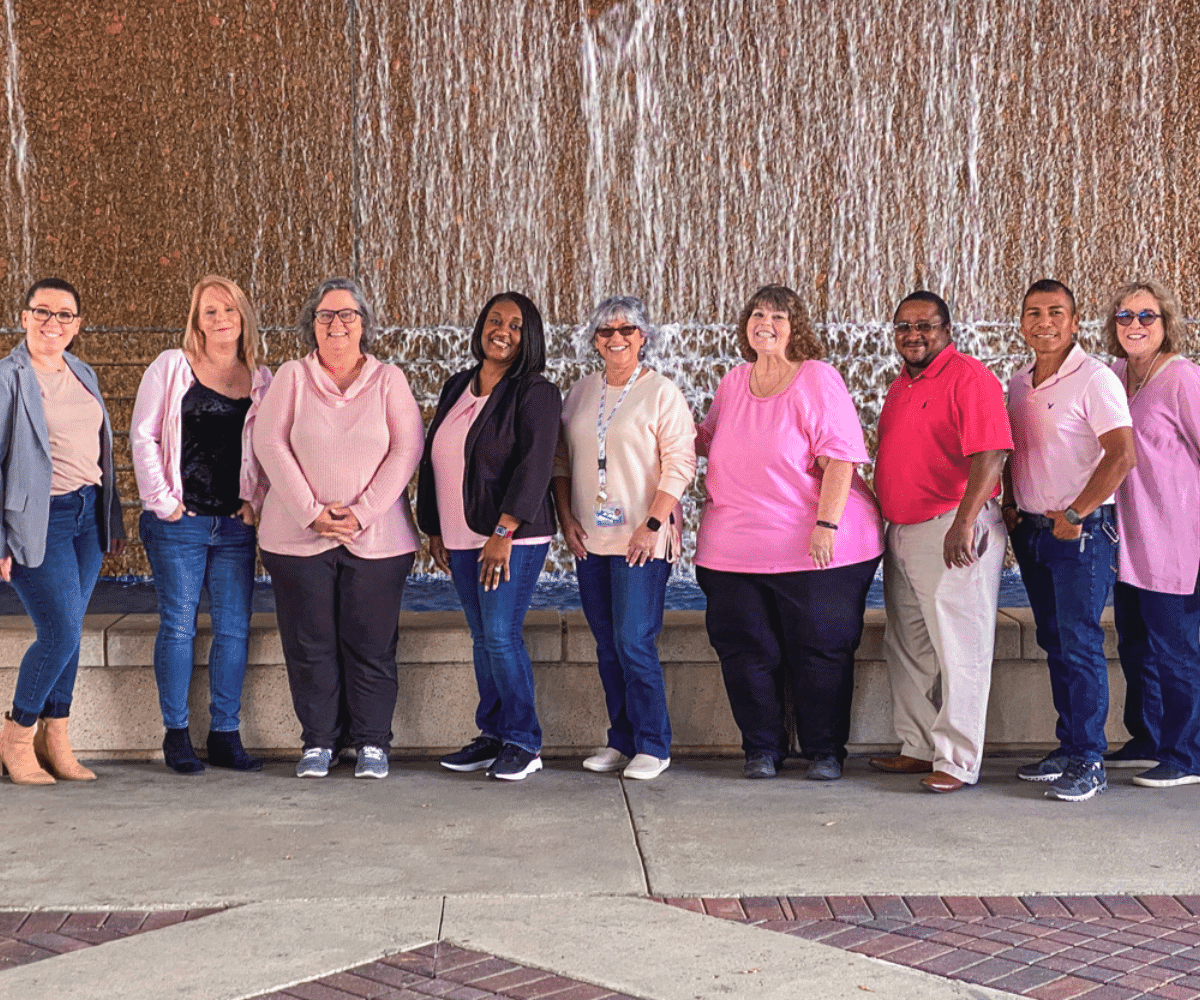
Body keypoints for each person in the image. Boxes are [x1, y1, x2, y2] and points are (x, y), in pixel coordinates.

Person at [694, 284, 884, 781]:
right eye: (758, 314)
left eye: (779, 316)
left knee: (819, 650)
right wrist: (652, 411)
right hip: (732, 550)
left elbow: (840, 457)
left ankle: (824, 751)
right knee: (743, 651)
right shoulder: (734, 381)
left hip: (817, 548)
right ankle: (761, 748)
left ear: (795, 327)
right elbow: (703, 439)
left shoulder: (817, 378)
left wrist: (826, 525)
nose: (767, 323)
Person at [254, 277, 423, 780]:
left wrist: (362, 511)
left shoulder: (389, 380)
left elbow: (406, 448)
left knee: (371, 643)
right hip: (296, 537)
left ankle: (372, 741)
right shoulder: (291, 377)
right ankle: (319, 742)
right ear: (312, 325)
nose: (336, 324)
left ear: (363, 324)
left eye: (347, 315)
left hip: (378, 539)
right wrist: (311, 511)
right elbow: (269, 443)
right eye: (325, 316)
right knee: (309, 643)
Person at [870, 291, 1012, 793]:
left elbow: (992, 453)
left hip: (951, 527)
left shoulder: (969, 377)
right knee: (907, 645)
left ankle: (956, 760)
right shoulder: (900, 385)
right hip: (903, 529)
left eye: (925, 325)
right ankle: (917, 747)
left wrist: (964, 523)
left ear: (947, 330)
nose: (914, 334)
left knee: (960, 646)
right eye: (904, 326)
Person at [131, 276, 272, 775]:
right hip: (179, 524)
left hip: (234, 526)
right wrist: (164, 502)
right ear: (196, 320)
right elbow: (144, 436)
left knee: (233, 630)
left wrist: (254, 501)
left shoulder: (260, 377)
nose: (219, 319)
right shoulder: (171, 366)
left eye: (228, 310)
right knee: (178, 626)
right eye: (209, 311)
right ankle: (176, 734)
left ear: (242, 317)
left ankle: (225, 733)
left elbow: (270, 447)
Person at [417, 292, 560, 782]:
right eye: (495, 320)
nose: (502, 330)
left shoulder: (536, 391)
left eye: (516, 325)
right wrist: (434, 525)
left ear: (530, 336)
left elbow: (535, 466)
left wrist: (503, 530)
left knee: (500, 634)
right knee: (482, 637)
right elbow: (436, 454)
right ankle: (493, 733)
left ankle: (524, 740)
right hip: (460, 533)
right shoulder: (459, 384)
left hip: (510, 536)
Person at [553, 296, 696, 781]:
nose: (616, 338)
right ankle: (622, 739)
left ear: (643, 336)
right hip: (592, 538)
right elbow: (561, 463)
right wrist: (564, 517)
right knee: (607, 645)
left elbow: (680, 465)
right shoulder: (579, 392)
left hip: (643, 539)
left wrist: (652, 525)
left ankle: (654, 745)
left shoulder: (661, 392)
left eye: (627, 330)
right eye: (606, 331)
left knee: (634, 641)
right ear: (594, 340)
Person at [1004, 279, 1135, 802]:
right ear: (1021, 324)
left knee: (1079, 642)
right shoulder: (1018, 382)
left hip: (1080, 530)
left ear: (1075, 321)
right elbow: (1013, 450)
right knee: (1055, 640)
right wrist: (1011, 504)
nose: (1045, 323)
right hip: (1034, 529)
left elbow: (1121, 454)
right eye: (1034, 313)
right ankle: (1067, 747)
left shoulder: (1096, 378)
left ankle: (1089, 760)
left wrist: (1078, 512)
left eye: (1056, 312)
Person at [0, 278, 125, 785]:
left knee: (69, 632)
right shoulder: (8, 378)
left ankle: (57, 737)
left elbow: (100, 450)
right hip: (38, 521)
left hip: (86, 516)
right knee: (61, 630)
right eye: (43, 312)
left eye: (65, 315)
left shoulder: (82, 370)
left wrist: (110, 517)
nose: (54, 322)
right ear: (25, 317)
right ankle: (16, 734)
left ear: (78, 324)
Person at [1104, 279, 1200, 788]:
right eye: (1124, 317)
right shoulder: (1116, 375)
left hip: (1174, 537)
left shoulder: (1181, 377)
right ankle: (1147, 736)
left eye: (1146, 316)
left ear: (1167, 324)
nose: (1135, 325)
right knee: (1136, 645)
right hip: (1127, 539)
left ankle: (1187, 755)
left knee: (1176, 649)